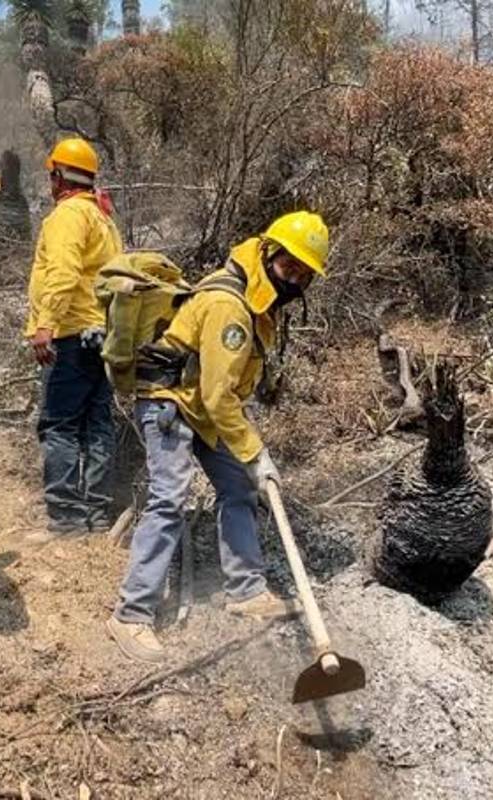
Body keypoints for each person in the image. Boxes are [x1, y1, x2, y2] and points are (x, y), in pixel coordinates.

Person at [105, 211, 330, 664]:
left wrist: (249, 463)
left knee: (239, 487)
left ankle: (245, 591)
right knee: (170, 498)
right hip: (170, 404)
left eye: (304, 275)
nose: (295, 280)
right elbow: (217, 393)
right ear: (268, 254)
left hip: (202, 408)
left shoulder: (255, 302)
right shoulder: (231, 307)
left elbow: (217, 397)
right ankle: (130, 615)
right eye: (290, 268)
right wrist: (255, 451)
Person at [24, 137, 123, 538]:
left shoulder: (67, 217)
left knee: (61, 425)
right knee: (97, 423)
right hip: (101, 335)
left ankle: (65, 518)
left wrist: (46, 324)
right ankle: (97, 515)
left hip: (70, 334)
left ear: (58, 176)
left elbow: (62, 273)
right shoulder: (103, 218)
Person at [0, 149, 33, 287]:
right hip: (16, 206)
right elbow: (26, 241)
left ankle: (3, 278)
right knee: (23, 244)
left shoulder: (0, 202)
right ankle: (20, 274)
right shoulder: (20, 200)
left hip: (5, 207)